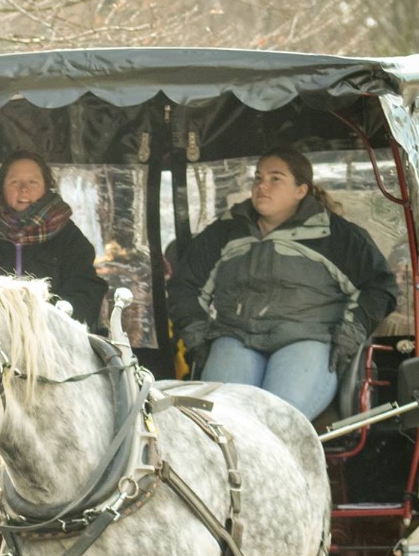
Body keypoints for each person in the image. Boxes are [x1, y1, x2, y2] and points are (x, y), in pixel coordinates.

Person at [168, 147, 398, 418]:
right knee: (222, 419)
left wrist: (348, 337)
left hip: (307, 340)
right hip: (236, 338)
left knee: (277, 419)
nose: (262, 186)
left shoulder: (337, 236)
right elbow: (184, 286)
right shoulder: (226, 232)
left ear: (301, 190)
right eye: (257, 178)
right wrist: (197, 338)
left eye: (275, 179)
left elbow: (380, 287)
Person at [0, 151, 108, 328]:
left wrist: (48, 321)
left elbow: (85, 292)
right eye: (14, 182)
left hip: (49, 342)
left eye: (33, 182)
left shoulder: (70, 239)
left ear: (45, 189)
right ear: (1, 188)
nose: (24, 188)